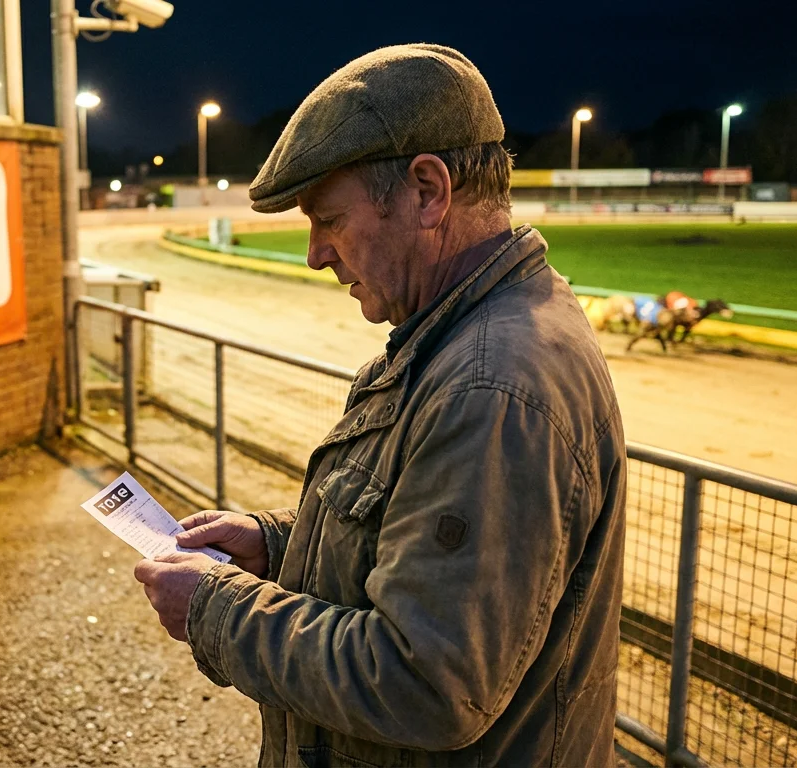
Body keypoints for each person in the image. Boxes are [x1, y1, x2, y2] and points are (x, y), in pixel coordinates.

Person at [134, 44, 627, 767]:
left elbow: (427, 681)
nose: (315, 254)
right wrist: (278, 545)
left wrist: (217, 610)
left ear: (428, 191)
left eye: (328, 219)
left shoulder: (491, 385)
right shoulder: (461, 332)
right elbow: (415, 533)